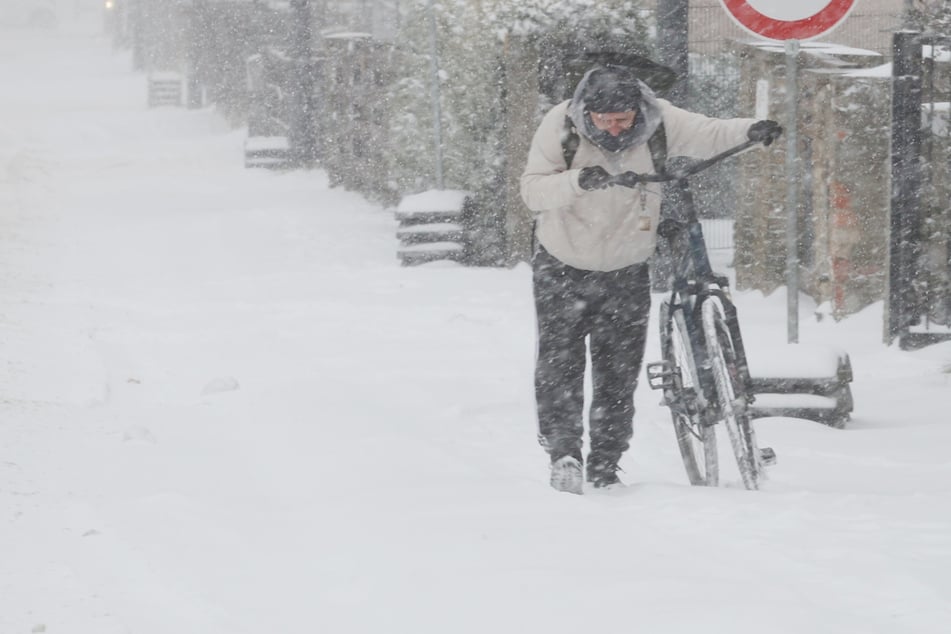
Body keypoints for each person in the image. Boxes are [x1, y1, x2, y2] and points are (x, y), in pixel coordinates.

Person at [520, 65, 782, 494]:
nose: (617, 128)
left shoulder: (659, 120)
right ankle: (565, 453)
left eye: (624, 119)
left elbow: (709, 132)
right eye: (606, 121)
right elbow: (532, 189)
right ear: (588, 112)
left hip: (627, 266)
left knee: (619, 370)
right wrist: (577, 181)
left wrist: (752, 129)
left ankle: (606, 462)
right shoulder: (561, 125)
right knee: (560, 363)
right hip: (564, 262)